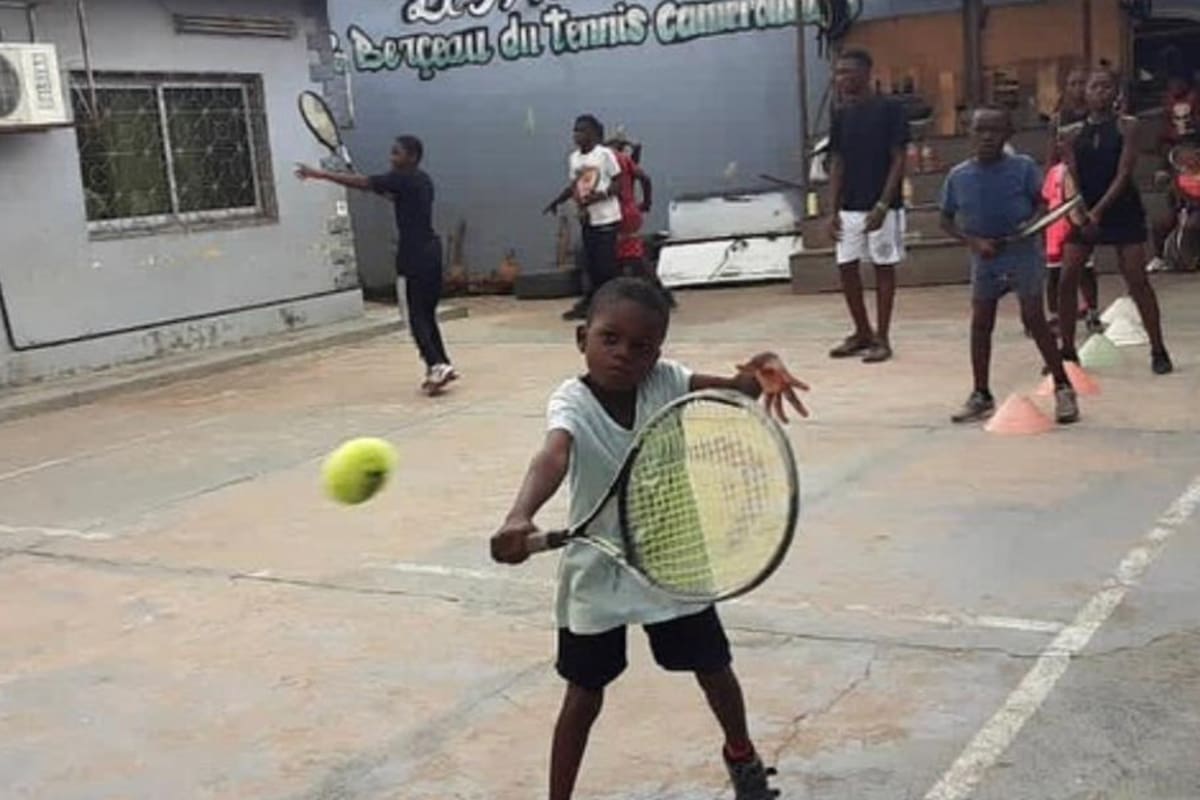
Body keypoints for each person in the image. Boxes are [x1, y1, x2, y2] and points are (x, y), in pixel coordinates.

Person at [489, 277, 807, 800]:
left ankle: (742, 759)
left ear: (658, 351)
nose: (623, 354)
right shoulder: (571, 400)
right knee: (584, 694)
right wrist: (519, 515)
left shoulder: (667, 381)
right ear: (581, 339)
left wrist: (762, 366)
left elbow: (742, 388)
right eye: (609, 338)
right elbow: (554, 454)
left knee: (714, 670)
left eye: (641, 346)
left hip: (670, 561)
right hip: (598, 568)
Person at [940, 107, 1079, 425]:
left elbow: (1041, 205)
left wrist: (1029, 225)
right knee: (981, 322)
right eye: (980, 130)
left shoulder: (1023, 167)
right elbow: (945, 220)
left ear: (1007, 135)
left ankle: (1062, 385)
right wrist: (974, 243)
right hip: (984, 256)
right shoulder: (958, 176)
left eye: (995, 130)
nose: (987, 137)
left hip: (1021, 252)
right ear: (970, 134)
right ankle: (981, 394)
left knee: (1034, 317)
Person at [295, 136, 456, 394]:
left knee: (414, 317)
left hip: (413, 257)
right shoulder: (422, 180)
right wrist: (375, 187)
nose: (391, 158)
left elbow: (363, 183)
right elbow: (394, 196)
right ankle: (442, 364)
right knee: (427, 315)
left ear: (412, 157)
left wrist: (319, 174)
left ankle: (436, 364)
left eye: (397, 153)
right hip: (432, 253)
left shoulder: (400, 179)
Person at [1059, 68, 1173, 374]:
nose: (1101, 92)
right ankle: (1067, 351)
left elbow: (1124, 173)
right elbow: (1072, 176)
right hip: (1085, 210)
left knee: (1136, 279)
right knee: (1067, 275)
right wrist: (1082, 211)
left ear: (1116, 93)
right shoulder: (1070, 133)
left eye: (1107, 87)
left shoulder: (1127, 126)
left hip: (1122, 208)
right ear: (1084, 92)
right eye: (1095, 87)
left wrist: (1100, 211)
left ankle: (1158, 349)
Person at [825, 48, 909, 364]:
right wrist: (831, 210)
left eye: (849, 72)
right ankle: (862, 331)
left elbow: (899, 158)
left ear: (866, 73)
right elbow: (837, 161)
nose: (843, 78)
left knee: (882, 267)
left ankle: (883, 338)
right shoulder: (840, 113)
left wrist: (883, 204)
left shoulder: (890, 109)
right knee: (846, 266)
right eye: (839, 73)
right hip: (849, 206)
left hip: (882, 205)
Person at [545, 115, 623, 321]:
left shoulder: (604, 154)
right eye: (575, 131)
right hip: (587, 218)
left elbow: (619, 183)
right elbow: (575, 186)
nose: (576, 135)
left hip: (607, 217)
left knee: (606, 266)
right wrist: (558, 201)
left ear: (593, 133)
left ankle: (612, 307)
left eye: (581, 130)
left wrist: (602, 195)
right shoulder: (574, 159)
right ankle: (591, 304)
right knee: (590, 265)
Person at [1044, 66, 1101, 330]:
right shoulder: (1058, 119)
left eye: (1082, 83)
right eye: (1073, 83)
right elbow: (1051, 156)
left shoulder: (1097, 117)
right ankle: (1057, 313)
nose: (1078, 88)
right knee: (1056, 263)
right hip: (1063, 189)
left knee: (1085, 263)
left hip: (1089, 189)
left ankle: (1092, 310)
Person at [605, 133, 675, 307]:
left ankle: (659, 295)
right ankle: (653, 294)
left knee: (631, 258)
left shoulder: (608, 160)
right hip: (630, 212)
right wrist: (646, 202)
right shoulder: (625, 161)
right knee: (626, 256)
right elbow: (642, 174)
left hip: (618, 214)